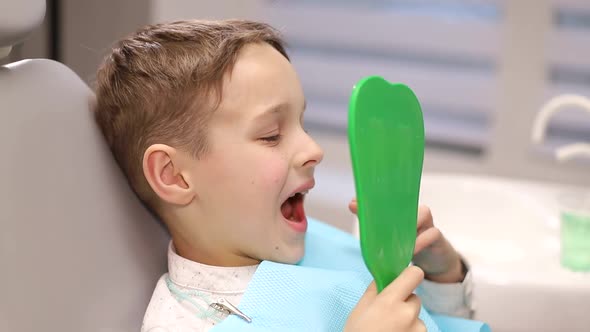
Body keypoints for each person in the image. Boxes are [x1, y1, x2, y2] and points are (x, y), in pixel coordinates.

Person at [93, 19, 472, 332]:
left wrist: (443, 281)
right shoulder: (184, 324)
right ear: (174, 175)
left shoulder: (310, 241)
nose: (313, 150)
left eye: (302, 123)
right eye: (271, 135)